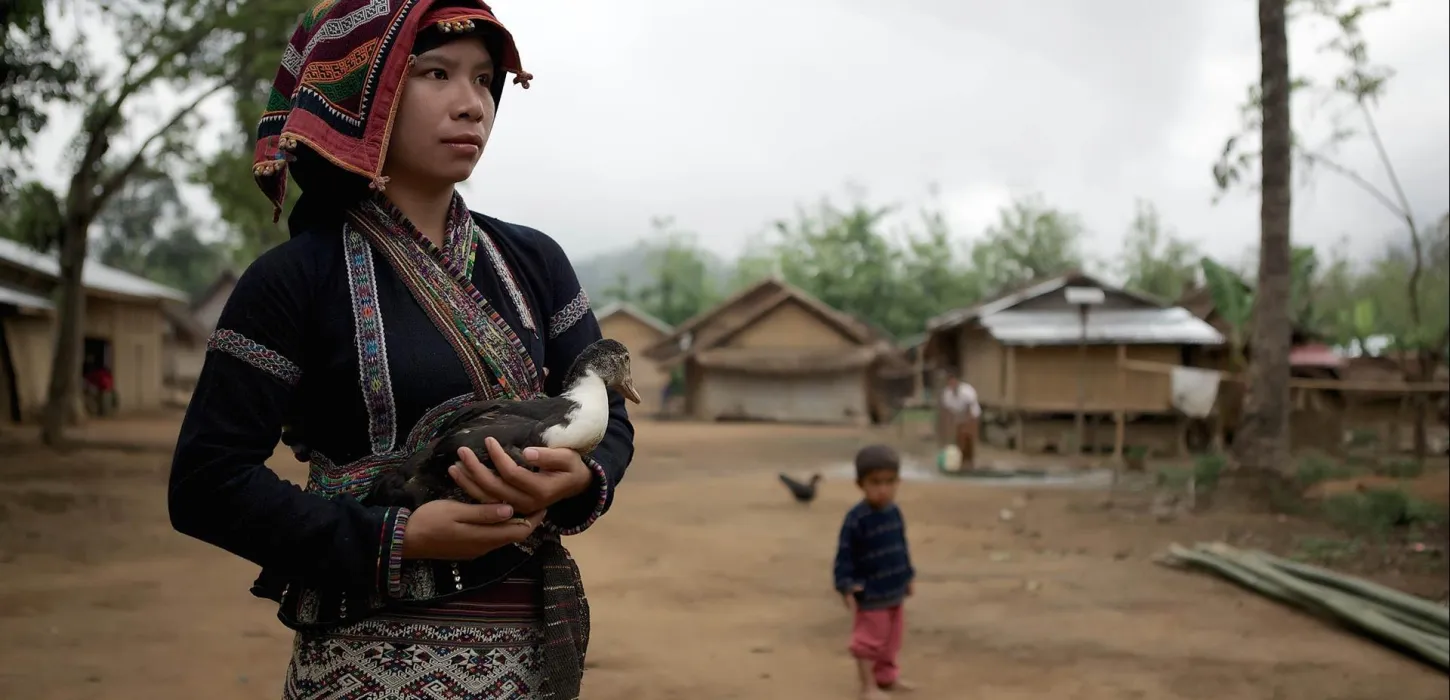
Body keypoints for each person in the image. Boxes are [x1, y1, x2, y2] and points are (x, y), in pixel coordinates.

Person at [166, 3, 634, 699]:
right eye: (436, 74)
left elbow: (609, 419)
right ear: (366, 97)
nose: (471, 105)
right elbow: (207, 484)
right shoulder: (295, 280)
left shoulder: (535, 262)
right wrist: (401, 536)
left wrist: (574, 482)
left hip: (531, 656)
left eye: (484, 80)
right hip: (365, 662)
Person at [833, 444, 917, 699]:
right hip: (870, 592)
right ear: (860, 484)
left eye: (890, 482)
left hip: (894, 589)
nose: (883, 489)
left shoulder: (894, 513)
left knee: (891, 640)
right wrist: (845, 585)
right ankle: (868, 686)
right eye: (875, 482)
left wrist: (908, 576)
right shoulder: (856, 519)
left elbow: (900, 546)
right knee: (868, 641)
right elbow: (844, 555)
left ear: (898, 481)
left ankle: (887, 678)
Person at [939, 374, 981, 470]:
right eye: (950, 383)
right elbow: (947, 412)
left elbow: (969, 409)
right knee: (959, 439)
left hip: (972, 415)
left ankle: (970, 462)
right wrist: (949, 426)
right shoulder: (947, 394)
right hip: (958, 416)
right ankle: (960, 462)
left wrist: (966, 424)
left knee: (968, 437)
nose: (952, 385)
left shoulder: (967, 391)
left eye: (954, 382)